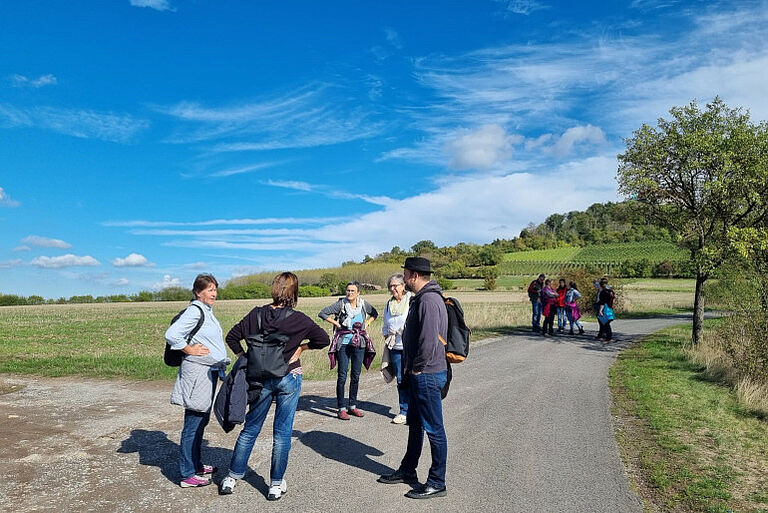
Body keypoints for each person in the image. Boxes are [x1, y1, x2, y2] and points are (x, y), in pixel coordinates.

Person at [220, 272, 330, 500]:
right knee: (282, 433)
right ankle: (275, 484)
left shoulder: (255, 314)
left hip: (259, 379)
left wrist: (246, 358)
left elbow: (231, 336)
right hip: (288, 377)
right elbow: (323, 340)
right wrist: (301, 348)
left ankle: (231, 477)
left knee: (250, 429)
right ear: (294, 292)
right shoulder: (299, 319)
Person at [378, 257, 448, 500]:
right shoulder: (425, 298)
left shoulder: (428, 300)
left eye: (405, 274)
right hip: (422, 373)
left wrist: (416, 368)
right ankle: (408, 470)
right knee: (416, 425)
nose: (403, 278)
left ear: (414, 276)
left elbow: (429, 340)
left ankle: (437, 481)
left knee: (434, 429)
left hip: (427, 374)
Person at [165, 273, 229, 488]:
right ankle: (186, 474)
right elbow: (172, 334)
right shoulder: (195, 311)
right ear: (198, 292)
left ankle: (196, 464)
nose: (214, 293)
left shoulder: (206, 311)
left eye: (215, 289)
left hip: (207, 372)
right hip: (197, 373)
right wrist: (190, 349)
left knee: (201, 420)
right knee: (193, 422)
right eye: (209, 289)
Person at [318, 281, 378, 420]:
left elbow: (374, 313)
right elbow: (323, 313)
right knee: (342, 376)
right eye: (348, 290)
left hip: (360, 343)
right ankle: (341, 408)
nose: (349, 293)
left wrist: (367, 323)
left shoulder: (363, 304)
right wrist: (337, 324)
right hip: (343, 344)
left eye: (352, 291)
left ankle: (352, 406)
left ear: (358, 293)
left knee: (356, 376)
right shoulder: (341, 304)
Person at [380, 273, 413, 425]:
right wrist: (387, 336)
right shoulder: (389, 304)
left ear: (403, 285)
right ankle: (404, 411)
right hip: (395, 346)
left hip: (411, 346)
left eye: (396, 285)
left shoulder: (411, 299)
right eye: (390, 286)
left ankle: (416, 410)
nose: (393, 289)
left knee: (414, 378)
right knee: (400, 380)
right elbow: (385, 324)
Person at [594, 277, 616, 342]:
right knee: (605, 323)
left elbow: (602, 302)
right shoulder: (609, 290)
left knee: (604, 323)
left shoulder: (603, 292)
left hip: (604, 308)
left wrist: (600, 310)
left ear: (600, 285)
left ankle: (607, 337)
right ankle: (604, 335)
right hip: (609, 308)